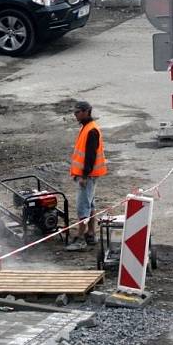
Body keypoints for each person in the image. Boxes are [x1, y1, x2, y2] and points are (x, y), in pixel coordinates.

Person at [65, 101, 107, 251]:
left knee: (83, 207)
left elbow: (90, 156)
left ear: (86, 111)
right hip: (89, 175)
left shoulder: (91, 130)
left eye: (77, 112)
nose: (75, 115)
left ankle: (81, 239)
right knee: (90, 205)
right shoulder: (87, 127)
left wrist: (84, 175)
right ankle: (91, 234)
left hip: (87, 176)